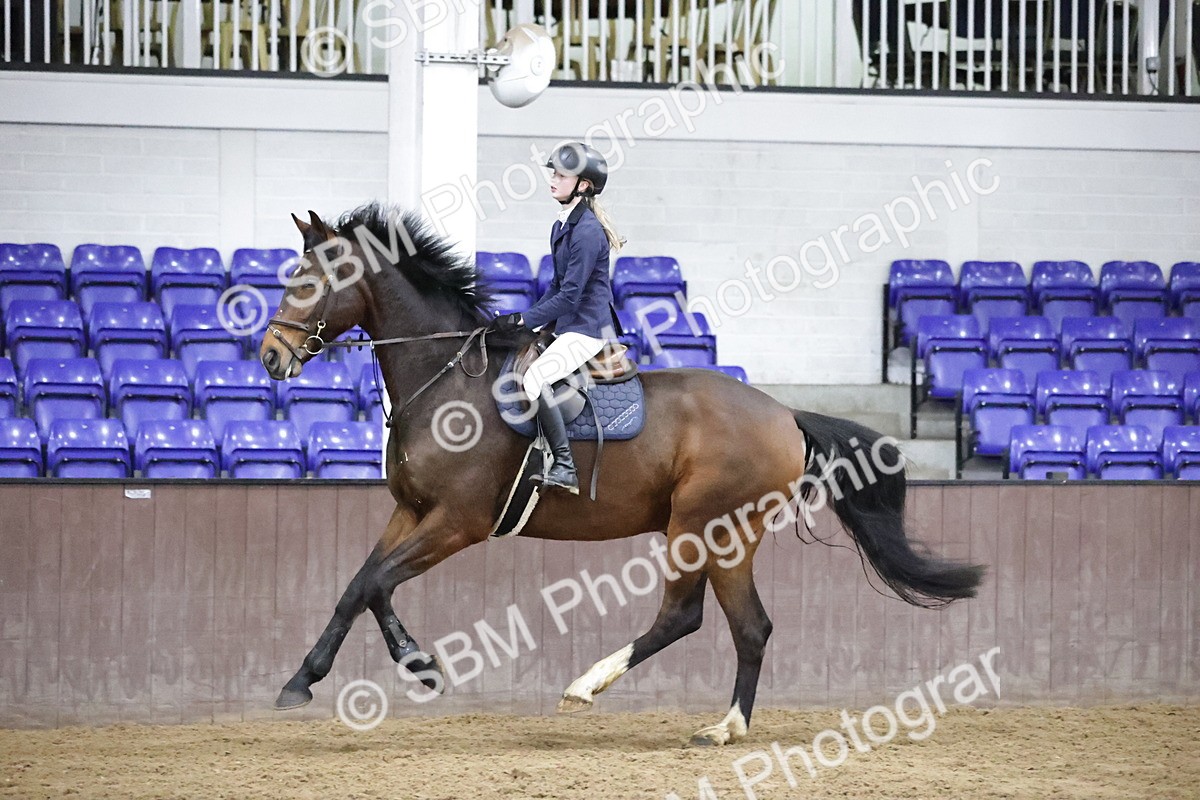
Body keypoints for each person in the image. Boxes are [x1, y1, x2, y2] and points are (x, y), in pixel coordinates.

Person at [490, 142, 624, 495]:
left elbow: (571, 296)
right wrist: (525, 321)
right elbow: (556, 285)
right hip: (568, 323)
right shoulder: (562, 226)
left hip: (588, 328)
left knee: (535, 380)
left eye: (561, 174)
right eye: (554, 172)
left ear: (583, 185)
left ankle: (565, 465)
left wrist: (524, 320)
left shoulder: (588, 232)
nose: (553, 178)